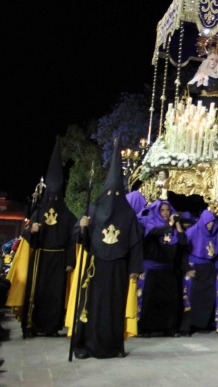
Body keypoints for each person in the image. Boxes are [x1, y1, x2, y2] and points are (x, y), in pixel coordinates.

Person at [69, 144, 143, 359]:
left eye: (117, 193)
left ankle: (114, 346)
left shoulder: (128, 214)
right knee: (91, 305)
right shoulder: (93, 209)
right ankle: (85, 346)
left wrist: (135, 268)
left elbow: (135, 242)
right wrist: (82, 227)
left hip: (118, 267)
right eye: (110, 192)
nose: (113, 196)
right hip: (95, 266)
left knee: (114, 307)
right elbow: (79, 238)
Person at [7, 137, 77, 338]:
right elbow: (26, 237)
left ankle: (52, 326)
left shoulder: (68, 216)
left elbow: (73, 239)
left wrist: (70, 261)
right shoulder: (37, 213)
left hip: (59, 259)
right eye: (50, 196)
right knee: (36, 293)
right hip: (39, 258)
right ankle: (34, 324)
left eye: (57, 196)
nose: (53, 200)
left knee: (55, 295)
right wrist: (32, 230)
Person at [137, 198, 185, 337]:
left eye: (168, 210)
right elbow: (154, 233)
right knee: (150, 300)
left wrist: (177, 225)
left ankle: (169, 328)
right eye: (162, 210)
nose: (165, 213)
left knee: (169, 300)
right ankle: (146, 329)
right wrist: (169, 224)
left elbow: (182, 242)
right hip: (152, 268)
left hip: (167, 269)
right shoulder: (150, 223)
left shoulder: (173, 227)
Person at [180, 209, 218, 335]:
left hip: (208, 268)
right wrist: (187, 268)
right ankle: (188, 326)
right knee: (191, 298)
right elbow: (183, 252)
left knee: (207, 298)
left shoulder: (214, 233)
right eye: (208, 222)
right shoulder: (192, 232)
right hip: (194, 267)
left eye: (212, 222)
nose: (211, 225)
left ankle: (203, 324)